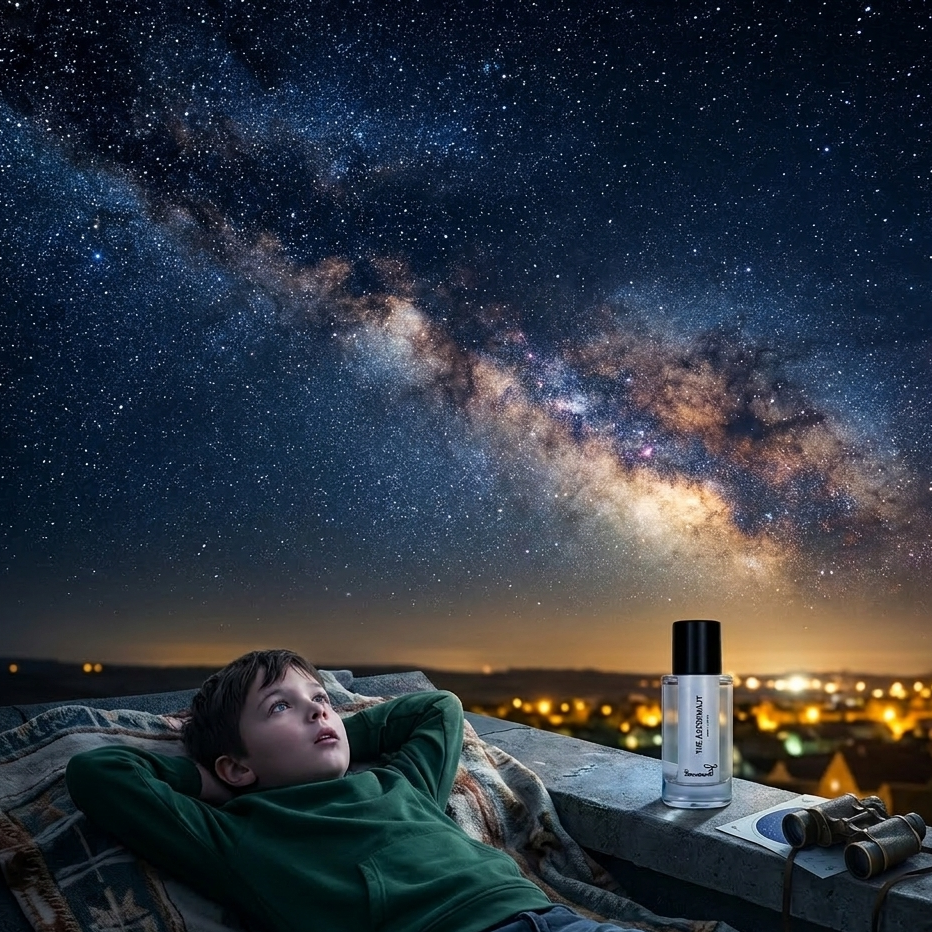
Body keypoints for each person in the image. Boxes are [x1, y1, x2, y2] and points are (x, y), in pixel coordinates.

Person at [66, 648, 638, 932]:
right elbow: (100, 775)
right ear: (237, 765)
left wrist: (333, 730)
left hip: (551, 919)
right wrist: (214, 783)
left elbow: (438, 708)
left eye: (321, 698)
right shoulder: (238, 836)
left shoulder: (398, 784)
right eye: (280, 707)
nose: (318, 707)